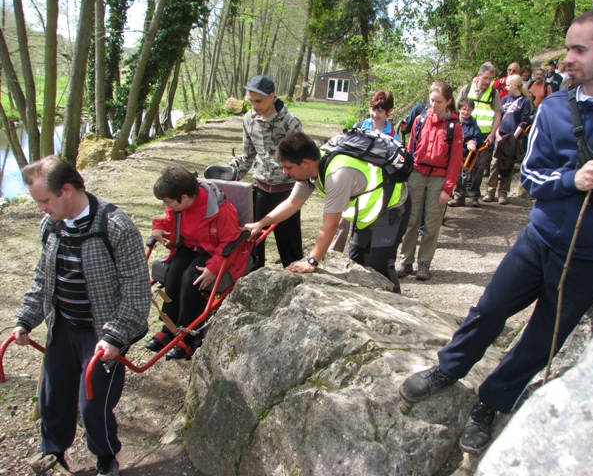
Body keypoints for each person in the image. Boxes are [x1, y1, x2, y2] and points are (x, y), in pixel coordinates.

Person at [399, 8, 593, 454]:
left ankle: (490, 402)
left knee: (543, 337)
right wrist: (574, 179)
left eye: (578, 49)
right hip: (540, 238)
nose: (567, 58)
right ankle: (448, 369)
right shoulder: (553, 108)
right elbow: (530, 177)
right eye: (566, 47)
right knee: (489, 309)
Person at [11, 156, 151, 476]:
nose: (40, 209)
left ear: (67, 191)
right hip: (63, 326)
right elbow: (42, 280)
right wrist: (25, 319)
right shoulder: (51, 225)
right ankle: (54, 453)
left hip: (102, 332)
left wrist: (115, 336)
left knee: (93, 406)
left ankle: (105, 457)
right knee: (52, 397)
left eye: (44, 201)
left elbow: (137, 292)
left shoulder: (115, 226)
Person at [245, 132, 411, 293]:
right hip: (367, 214)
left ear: (305, 163)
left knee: (380, 267)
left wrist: (312, 261)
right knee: (357, 262)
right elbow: (292, 203)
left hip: (391, 209)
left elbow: (330, 225)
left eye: (288, 167)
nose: (284, 172)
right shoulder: (312, 171)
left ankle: (399, 308)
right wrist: (260, 224)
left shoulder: (337, 175)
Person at [147, 166, 249, 360]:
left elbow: (230, 242)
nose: (166, 205)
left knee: (191, 279)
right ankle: (169, 327)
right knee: (173, 274)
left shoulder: (220, 209)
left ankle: (188, 334)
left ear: (184, 198)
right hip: (188, 246)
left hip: (213, 249)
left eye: (167, 202)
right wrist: (158, 227)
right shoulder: (178, 203)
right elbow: (169, 219)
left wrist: (214, 267)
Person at [229, 74, 304, 269]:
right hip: (259, 189)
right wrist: (230, 177)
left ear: (272, 96)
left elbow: (303, 160)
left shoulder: (289, 122)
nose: (255, 105)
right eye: (251, 100)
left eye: (259, 101)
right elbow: (248, 155)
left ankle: (297, 288)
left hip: (287, 192)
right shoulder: (248, 119)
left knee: (290, 247)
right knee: (252, 243)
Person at [395, 80, 463, 281]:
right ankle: (406, 261)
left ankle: (424, 263)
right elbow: (411, 149)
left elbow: (455, 160)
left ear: (448, 102)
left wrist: (447, 189)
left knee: (432, 223)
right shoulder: (421, 119)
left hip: (439, 177)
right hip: (417, 173)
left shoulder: (454, 126)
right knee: (411, 219)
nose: (433, 105)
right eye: (432, 100)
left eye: (439, 101)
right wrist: (406, 175)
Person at [332, 90, 401, 253]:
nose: (375, 114)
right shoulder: (360, 127)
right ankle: (332, 254)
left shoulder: (392, 135)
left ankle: (360, 255)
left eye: (380, 111)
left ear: (388, 112)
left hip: (373, 186)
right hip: (352, 179)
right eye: (373, 109)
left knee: (365, 220)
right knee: (342, 219)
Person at [455, 63, 502, 206]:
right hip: (465, 134)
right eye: (486, 78)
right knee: (461, 165)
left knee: (479, 167)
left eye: (491, 79)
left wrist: (493, 133)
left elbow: (498, 113)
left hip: (484, 136)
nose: (488, 82)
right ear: (479, 75)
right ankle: (459, 196)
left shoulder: (493, 93)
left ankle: (474, 195)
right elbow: (456, 109)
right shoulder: (467, 89)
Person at [484, 75, 532, 205]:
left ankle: (503, 192)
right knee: (495, 162)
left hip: (513, 137)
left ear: (515, 85)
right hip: (501, 135)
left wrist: (513, 137)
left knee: (508, 164)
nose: (506, 88)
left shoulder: (524, 101)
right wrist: (498, 134)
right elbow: (498, 116)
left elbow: (524, 121)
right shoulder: (505, 99)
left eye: (508, 85)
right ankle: (490, 190)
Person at [448, 98, 484, 207]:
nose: (466, 112)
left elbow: (478, 138)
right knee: (457, 177)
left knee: (472, 175)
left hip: (467, 156)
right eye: (464, 109)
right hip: (453, 154)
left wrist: (473, 142)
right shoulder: (453, 121)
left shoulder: (473, 124)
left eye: (469, 110)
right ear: (459, 109)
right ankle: (458, 197)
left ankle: (473, 197)